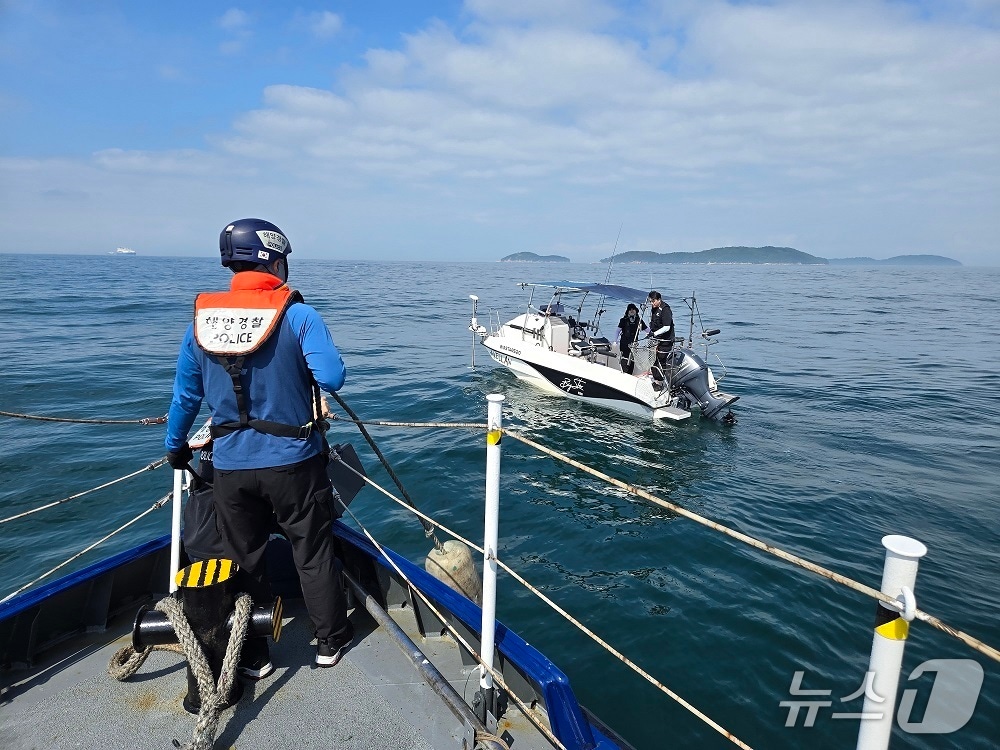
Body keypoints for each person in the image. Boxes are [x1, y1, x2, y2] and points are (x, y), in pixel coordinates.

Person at [165, 218, 353, 680]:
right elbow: (332, 377)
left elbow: (185, 397)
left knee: (242, 560)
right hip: (294, 463)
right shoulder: (298, 315)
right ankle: (329, 642)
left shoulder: (202, 321)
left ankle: (252, 656)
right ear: (275, 260)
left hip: (228, 465)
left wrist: (175, 447)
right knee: (311, 550)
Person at [647, 290, 675, 384]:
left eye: (653, 301)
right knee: (652, 359)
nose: (652, 303)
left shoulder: (665, 310)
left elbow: (667, 327)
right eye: (650, 301)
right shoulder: (654, 308)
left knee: (661, 360)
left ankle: (661, 382)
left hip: (665, 340)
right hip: (656, 340)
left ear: (659, 300)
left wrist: (654, 334)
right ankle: (656, 380)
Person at [615, 303, 647, 374]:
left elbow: (647, 330)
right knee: (625, 360)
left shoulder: (639, 320)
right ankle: (624, 372)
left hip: (634, 344)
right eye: (630, 310)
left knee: (632, 360)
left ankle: (630, 374)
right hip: (624, 344)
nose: (632, 311)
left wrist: (654, 334)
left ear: (636, 310)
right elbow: (617, 331)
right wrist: (615, 341)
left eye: (633, 309)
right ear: (627, 311)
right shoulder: (623, 320)